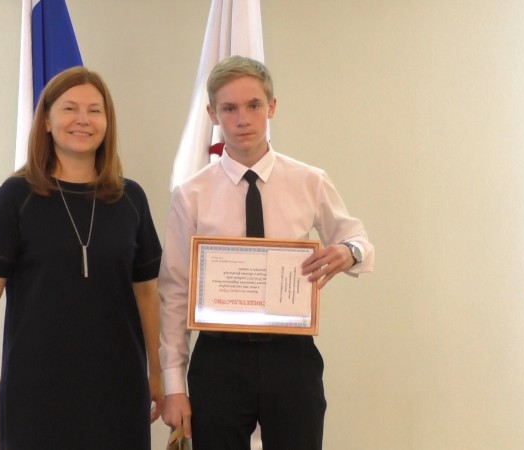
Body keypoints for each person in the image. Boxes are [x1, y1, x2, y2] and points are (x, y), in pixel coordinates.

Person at [158, 55, 375, 450]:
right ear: (213, 114)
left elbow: (358, 238)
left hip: (291, 357)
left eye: (254, 105)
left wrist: (349, 252)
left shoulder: (309, 181)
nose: (243, 119)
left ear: (272, 106)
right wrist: (174, 385)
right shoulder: (191, 194)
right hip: (219, 359)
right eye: (229, 108)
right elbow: (175, 292)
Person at [0, 66, 164, 450]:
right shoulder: (16, 197)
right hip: (35, 386)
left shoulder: (131, 199)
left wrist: (157, 373)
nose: (82, 120)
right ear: (46, 121)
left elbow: (147, 295)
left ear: (107, 122)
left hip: (118, 385)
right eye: (70, 108)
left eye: (94, 110)